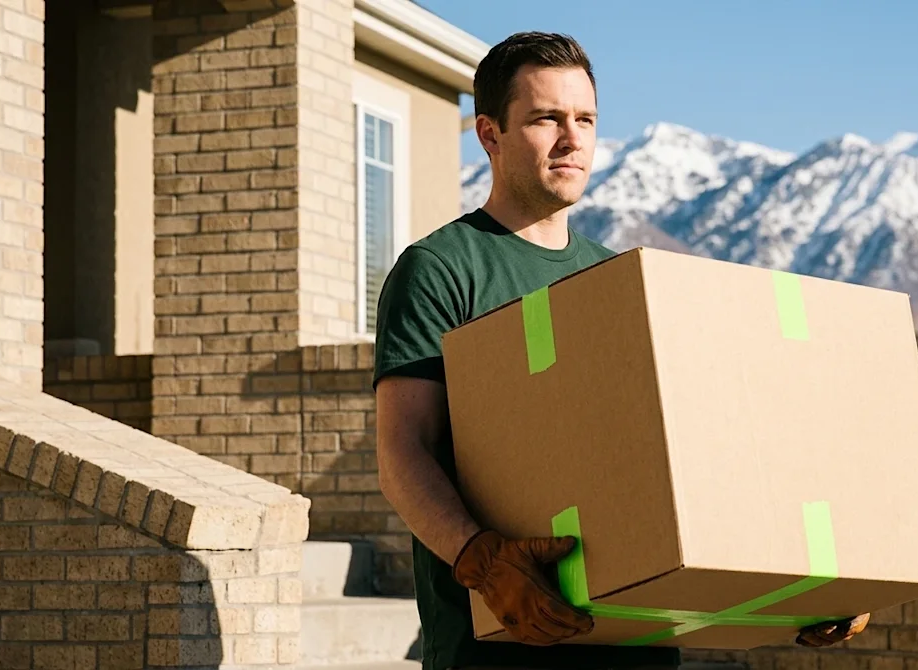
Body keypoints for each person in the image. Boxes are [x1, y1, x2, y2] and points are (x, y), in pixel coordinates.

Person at [372, 31, 870, 670]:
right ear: (490, 135)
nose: (571, 138)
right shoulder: (441, 269)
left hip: (638, 641)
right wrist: (482, 562)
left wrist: (806, 580)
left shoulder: (621, 280)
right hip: (504, 647)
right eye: (546, 117)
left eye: (585, 119)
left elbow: (694, 453)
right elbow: (402, 452)